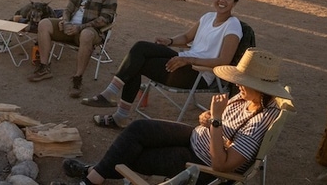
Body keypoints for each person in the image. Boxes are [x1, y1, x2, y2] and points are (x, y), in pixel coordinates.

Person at [51, 49, 293, 185]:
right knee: (139, 129)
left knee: (140, 156)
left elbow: (221, 165)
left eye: (244, 83)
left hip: (202, 163)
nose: (237, 85)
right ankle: (95, 174)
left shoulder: (260, 119)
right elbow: (215, 124)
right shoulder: (246, 97)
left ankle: (91, 178)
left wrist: (217, 120)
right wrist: (209, 118)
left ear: (262, 88)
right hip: (198, 138)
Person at [84, 0, 242, 129]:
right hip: (183, 62)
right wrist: (170, 41)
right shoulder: (208, 17)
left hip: (199, 73)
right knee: (140, 49)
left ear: (234, 3)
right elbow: (187, 37)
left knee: (137, 64)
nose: (222, 0)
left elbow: (223, 60)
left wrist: (189, 59)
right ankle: (115, 105)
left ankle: (117, 108)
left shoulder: (233, 26)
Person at [28, 0, 117, 99]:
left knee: (86, 35)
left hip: (89, 31)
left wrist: (79, 28)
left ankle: (77, 79)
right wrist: (65, 21)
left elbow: (105, 19)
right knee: (44, 23)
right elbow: (68, 9)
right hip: (69, 28)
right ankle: (44, 67)